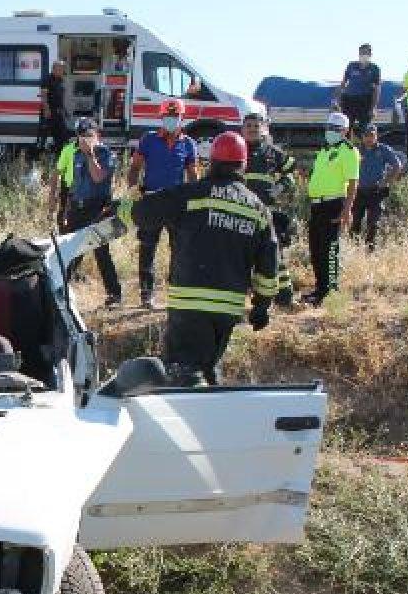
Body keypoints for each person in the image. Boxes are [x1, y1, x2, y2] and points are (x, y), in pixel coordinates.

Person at [116, 131, 278, 386]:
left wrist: (123, 208)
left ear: (211, 162)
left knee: (184, 374)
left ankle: (185, 421)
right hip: (228, 309)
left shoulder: (192, 195)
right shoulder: (257, 210)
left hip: (190, 305)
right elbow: (269, 266)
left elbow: (143, 213)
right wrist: (261, 307)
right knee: (210, 369)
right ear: (243, 165)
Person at [125, 98, 200, 308]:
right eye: (168, 116)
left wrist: (195, 198)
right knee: (148, 248)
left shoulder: (188, 144)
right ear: (161, 117)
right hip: (152, 200)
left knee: (179, 249)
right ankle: (146, 295)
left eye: (175, 117)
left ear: (181, 118)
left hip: (177, 203)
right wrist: (132, 189)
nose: (171, 120)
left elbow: (193, 173)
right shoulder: (148, 139)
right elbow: (134, 168)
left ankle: (175, 293)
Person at [51, 118, 121, 306]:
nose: (85, 140)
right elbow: (75, 185)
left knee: (101, 252)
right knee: (70, 250)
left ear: (97, 135)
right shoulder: (76, 155)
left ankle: (114, 295)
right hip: (77, 206)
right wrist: (66, 209)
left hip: (98, 207)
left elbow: (98, 178)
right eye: (82, 136)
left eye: (89, 136)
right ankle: (61, 291)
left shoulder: (105, 153)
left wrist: (91, 154)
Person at [302, 112, 359, 306]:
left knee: (330, 250)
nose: (331, 132)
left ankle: (330, 292)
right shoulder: (324, 150)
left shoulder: (349, 151)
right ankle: (320, 289)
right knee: (316, 249)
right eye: (329, 128)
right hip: (317, 205)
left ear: (344, 131)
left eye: (335, 129)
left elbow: (353, 182)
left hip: (334, 204)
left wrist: (347, 209)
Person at [241, 112, 299, 305]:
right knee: (240, 255)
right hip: (240, 212)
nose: (252, 129)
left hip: (266, 212)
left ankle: (285, 297)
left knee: (274, 255)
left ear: (263, 128)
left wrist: (281, 186)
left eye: (256, 126)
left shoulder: (273, 152)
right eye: (248, 126)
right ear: (242, 129)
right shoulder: (237, 149)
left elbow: (291, 172)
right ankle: (244, 296)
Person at [351, 124, 404, 251]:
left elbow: (397, 165)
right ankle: (354, 250)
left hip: (376, 192)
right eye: (366, 136)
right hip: (359, 192)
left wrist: (385, 182)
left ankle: (370, 251)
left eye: (372, 136)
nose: (369, 138)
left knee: (373, 224)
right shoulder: (356, 150)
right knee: (355, 223)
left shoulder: (384, 150)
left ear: (376, 136)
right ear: (362, 137)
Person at [338, 44, 381, 137]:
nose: (363, 55)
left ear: (370, 54)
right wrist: (337, 101)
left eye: (365, 52)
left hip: (365, 101)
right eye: (361, 52)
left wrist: (373, 107)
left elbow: (377, 89)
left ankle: (364, 150)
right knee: (346, 129)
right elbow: (343, 83)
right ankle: (347, 150)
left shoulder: (374, 68)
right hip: (349, 100)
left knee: (365, 130)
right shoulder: (351, 66)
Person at [37, 60, 70, 155]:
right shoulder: (47, 79)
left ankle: (58, 154)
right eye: (61, 69)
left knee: (62, 135)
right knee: (44, 136)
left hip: (58, 112)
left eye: (63, 69)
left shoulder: (60, 80)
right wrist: (47, 110)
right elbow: (43, 95)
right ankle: (39, 156)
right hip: (49, 112)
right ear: (55, 69)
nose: (63, 71)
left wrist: (65, 111)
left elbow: (60, 97)